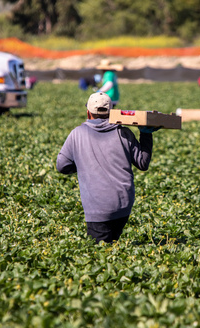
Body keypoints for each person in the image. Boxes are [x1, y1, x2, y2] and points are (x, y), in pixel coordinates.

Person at [56, 92, 158, 243]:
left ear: (88, 112)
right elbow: (143, 163)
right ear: (111, 111)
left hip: (98, 208)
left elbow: (62, 166)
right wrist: (145, 135)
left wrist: (82, 164)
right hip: (124, 205)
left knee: (99, 255)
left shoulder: (77, 133)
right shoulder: (124, 132)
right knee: (113, 246)